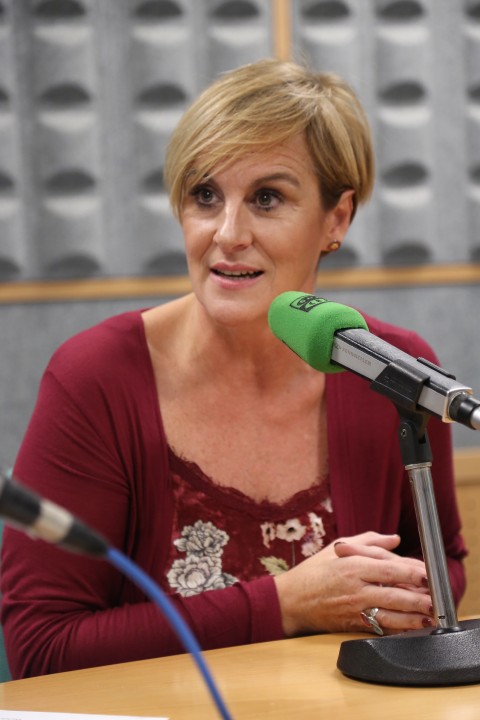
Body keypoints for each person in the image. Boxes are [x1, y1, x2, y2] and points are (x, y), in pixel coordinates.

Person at [0, 58, 466, 679]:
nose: (227, 233)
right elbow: (41, 647)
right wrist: (286, 604)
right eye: (205, 196)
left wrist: (395, 596)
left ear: (336, 218)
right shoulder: (96, 379)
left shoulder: (391, 371)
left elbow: (444, 564)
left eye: (267, 198)